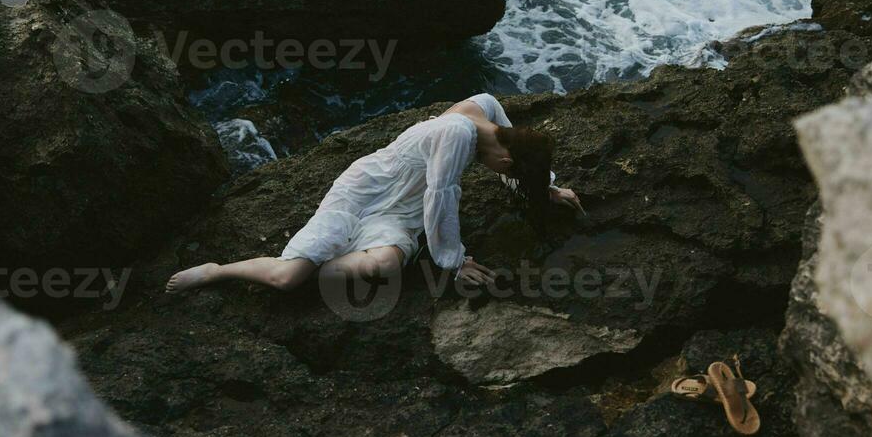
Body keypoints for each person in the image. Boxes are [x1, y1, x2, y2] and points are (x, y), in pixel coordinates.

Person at [164, 93, 582, 295]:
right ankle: (218, 270)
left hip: (401, 212)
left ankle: (316, 266)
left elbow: (515, 163)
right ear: (505, 161)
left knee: (384, 265)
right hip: (366, 191)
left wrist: (546, 189)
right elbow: (441, 198)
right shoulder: (458, 134)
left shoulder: (490, 112)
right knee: (286, 279)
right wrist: (454, 263)